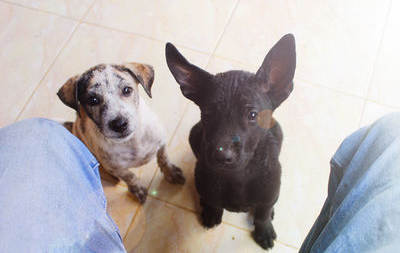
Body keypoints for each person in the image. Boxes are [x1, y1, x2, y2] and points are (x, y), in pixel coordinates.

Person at [0, 113, 399, 252]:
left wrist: (264, 217)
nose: (224, 147)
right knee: (389, 135)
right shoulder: (204, 158)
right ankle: (216, 206)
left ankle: (260, 218)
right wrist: (211, 205)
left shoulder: (270, 157)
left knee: (38, 135)